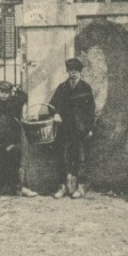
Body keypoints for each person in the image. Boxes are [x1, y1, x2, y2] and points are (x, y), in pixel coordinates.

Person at [48, 57, 97, 198]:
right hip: (64, 129)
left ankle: (80, 188)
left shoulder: (85, 87)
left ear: (80, 72)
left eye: (76, 71)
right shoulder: (62, 87)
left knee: (80, 158)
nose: (73, 74)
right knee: (63, 158)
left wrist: (90, 128)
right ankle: (62, 188)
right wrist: (55, 114)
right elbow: (52, 105)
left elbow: (91, 110)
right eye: (70, 71)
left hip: (80, 129)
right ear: (67, 72)